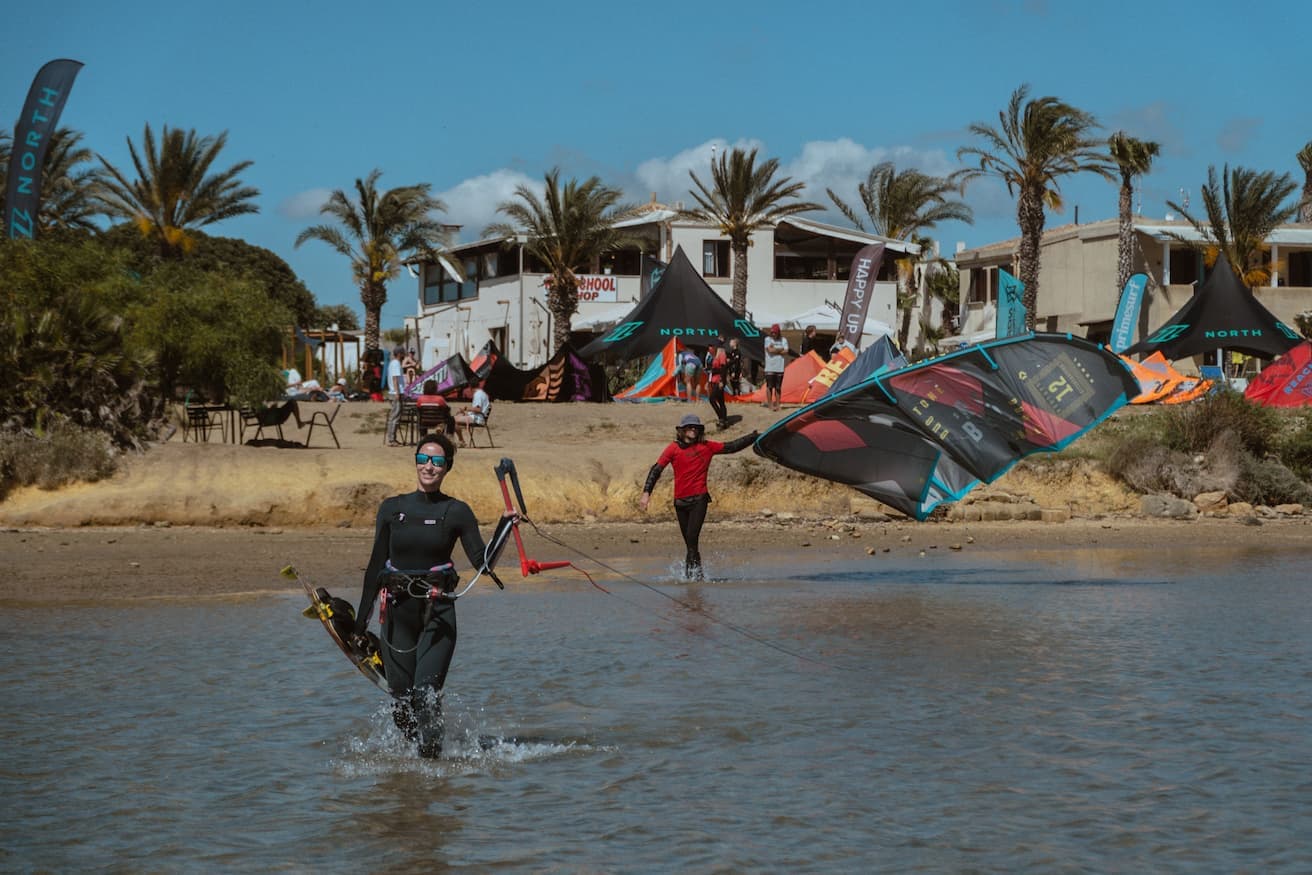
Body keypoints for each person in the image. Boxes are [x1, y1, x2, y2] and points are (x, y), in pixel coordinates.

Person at [352, 432, 516, 758]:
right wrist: (359, 624)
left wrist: (505, 527)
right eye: (423, 459)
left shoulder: (456, 512)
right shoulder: (391, 508)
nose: (429, 466)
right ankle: (421, 757)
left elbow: (483, 565)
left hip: (437, 615)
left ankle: (432, 771)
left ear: (447, 468)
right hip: (397, 615)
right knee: (402, 702)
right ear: (415, 462)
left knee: (426, 695)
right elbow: (374, 569)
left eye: (437, 461)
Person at [639, 413, 758, 581]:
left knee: (692, 538)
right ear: (682, 430)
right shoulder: (673, 448)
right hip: (680, 502)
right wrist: (646, 493)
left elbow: (731, 447)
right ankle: (695, 577)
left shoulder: (707, 446)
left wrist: (753, 437)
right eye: (690, 427)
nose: (693, 429)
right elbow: (656, 469)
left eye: (696, 427)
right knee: (690, 543)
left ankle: (692, 579)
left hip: (699, 500)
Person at [763, 324, 788, 411]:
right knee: (769, 387)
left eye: (775, 333)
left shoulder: (783, 340)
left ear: (778, 333)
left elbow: (786, 351)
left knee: (778, 387)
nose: (773, 334)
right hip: (770, 367)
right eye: (772, 332)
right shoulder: (767, 339)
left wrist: (776, 349)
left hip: (780, 367)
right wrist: (780, 349)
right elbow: (770, 350)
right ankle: (770, 404)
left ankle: (777, 404)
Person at [705, 341, 730, 427]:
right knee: (721, 401)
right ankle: (724, 420)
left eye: (711, 346)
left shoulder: (721, 355)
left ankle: (721, 418)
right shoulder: (715, 356)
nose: (709, 348)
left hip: (719, 380)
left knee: (712, 399)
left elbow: (724, 369)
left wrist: (722, 381)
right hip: (714, 380)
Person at [385, 346, 406, 446]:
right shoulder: (396, 364)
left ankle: (392, 438)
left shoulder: (393, 363)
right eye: (403, 353)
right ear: (399, 354)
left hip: (395, 392)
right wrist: (397, 392)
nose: (404, 355)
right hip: (395, 393)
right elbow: (395, 379)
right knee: (395, 416)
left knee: (395, 416)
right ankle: (391, 439)